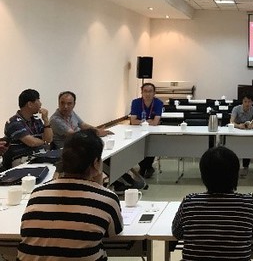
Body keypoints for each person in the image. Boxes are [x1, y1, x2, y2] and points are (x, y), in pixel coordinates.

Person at [18, 129, 123, 260]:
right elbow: (113, 233)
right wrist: (99, 181)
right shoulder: (107, 199)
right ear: (96, 163)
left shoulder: (37, 194)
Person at [172, 146, 253, 261]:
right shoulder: (249, 203)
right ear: (235, 175)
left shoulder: (190, 202)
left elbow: (177, 233)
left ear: (203, 176)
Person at [3, 89, 53, 169]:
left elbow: (49, 139)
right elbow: (31, 142)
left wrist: (46, 120)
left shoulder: (37, 120)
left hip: (39, 155)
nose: (40, 104)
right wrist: (44, 141)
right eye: (38, 100)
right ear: (30, 104)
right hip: (22, 159)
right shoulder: (13, 122)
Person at [130, 83, 163, 178]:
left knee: (151, 144)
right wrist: (148, 121)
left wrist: (141, 121)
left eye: (150, 91)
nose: (147, 94)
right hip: (137, 130)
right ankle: (145, 167)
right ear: (141, 92)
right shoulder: (136, 102)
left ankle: (146, 168)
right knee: (139, 145)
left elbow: (156, 122)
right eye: (145, 91)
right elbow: (133, 121)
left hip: (153, 131)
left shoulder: (158, 103)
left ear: (154, 93)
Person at [230, 93, 253, 177]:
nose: (247, 104)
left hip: (248, 132)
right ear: (242, 102)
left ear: (252, 102)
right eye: (245, 101)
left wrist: (251, 126)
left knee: (247, 146)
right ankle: (232, 166)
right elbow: (231, 122)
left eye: (249, 102)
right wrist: (238, 126)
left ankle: (245, 167)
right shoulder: (236, 109)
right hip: (236, 131)